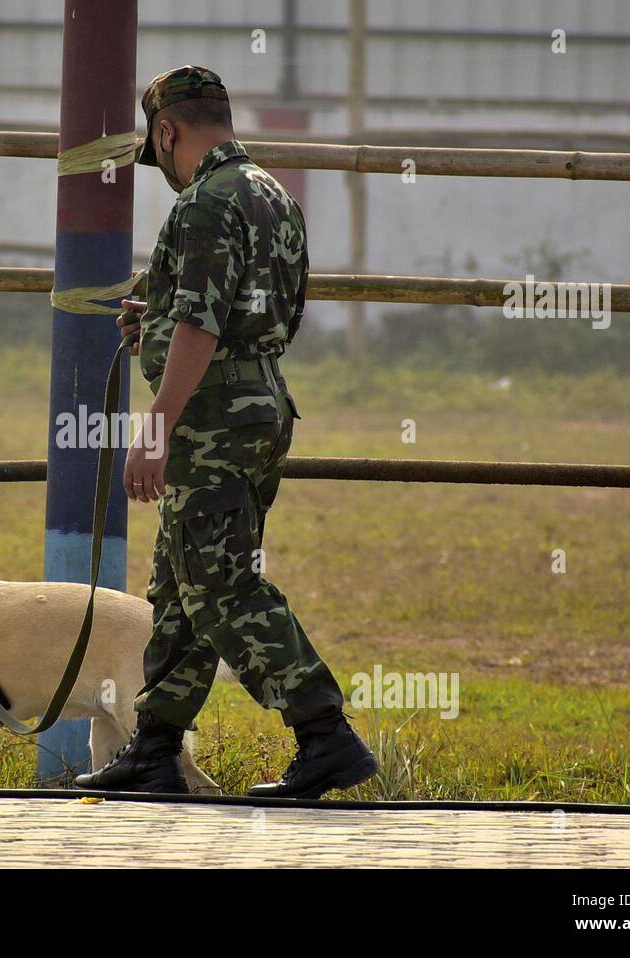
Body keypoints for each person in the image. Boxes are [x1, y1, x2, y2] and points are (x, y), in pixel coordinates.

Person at [73, 66, 377, 799]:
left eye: (159, 152)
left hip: (212, 420)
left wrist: (156, 425)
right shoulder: (276, 197)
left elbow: (201, 325)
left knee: (222, 586)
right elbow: (263, 314)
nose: (165, 173)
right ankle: (155, 748)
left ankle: (324, 732)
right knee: (180, 586)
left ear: (168, 132)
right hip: (262, 405)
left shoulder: (204, 204)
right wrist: (158, 328)